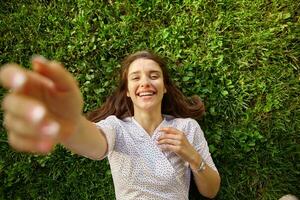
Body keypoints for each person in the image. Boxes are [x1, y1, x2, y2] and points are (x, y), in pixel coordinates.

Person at [0, 51, 221, 199]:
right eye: (135, 78)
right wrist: (72, 124)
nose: (145, 82)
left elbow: (211, 191)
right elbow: (95, 143)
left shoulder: (187, 128)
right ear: (127, 90)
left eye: (154, 76)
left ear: (164, 87)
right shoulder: (117, 127)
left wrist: (192, 156)